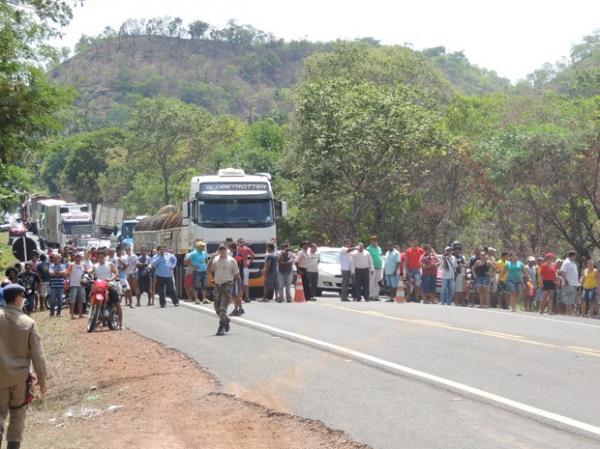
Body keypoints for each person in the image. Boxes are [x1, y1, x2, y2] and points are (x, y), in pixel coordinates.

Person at [0, 283, 47, 449]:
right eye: (23, 296)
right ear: (18, 298)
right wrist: (42, 380)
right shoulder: (28, 323)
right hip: (19, 380)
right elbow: (38, 356)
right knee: (18, 415)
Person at [209, 243, 242, 336]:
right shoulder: (215, 259)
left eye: (224, 249)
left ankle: (221, 327)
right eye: (220, 249)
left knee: (223, 308)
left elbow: (237, 276)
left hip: (227, 285)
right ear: (218, 250)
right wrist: (210, 261)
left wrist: (240, 291)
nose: (222, 251)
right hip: (217, 286)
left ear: (226, 250)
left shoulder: (231, 260)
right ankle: (226, 320)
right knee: (217, 308)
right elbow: (211, 271)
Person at [92, 251, 122, 329]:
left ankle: (121, 324)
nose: (100, 258)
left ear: (104, 257)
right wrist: (85, 273)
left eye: (102, 257)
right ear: (97, 258)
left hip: (109, 285)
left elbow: (116, 273)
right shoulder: (95, 266)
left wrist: (110, 279)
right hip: (98, 286)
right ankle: (96, 317)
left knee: (117, 304)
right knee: (91, 297)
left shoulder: (109, 264)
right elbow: (89, 271)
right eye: (99, 257)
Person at [65, 253, 88, 319]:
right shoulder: (71, 265)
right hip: (73, 285)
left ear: (81, 258)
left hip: (81, 285)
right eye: (77, 257)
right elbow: (67, 274)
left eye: (79, 257)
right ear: (75, 258)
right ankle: (72, 315)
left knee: (81, 300)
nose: (78, 258)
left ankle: (80, 314)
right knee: (72, 300)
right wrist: (67, 283)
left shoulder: (83, 265)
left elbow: (86, 274)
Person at [559, 251, 580, 316]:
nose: (576, 257)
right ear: (572, 256)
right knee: (569, 298)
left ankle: (570, 313)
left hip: (574, 283)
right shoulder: (566, 262)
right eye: (575, 256)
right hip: (569, 283)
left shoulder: (573, 262)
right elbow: (562, 271)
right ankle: (569, 313)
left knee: (572, 299)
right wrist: (565, 280)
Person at [366, 236, 383, 300]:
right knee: (371, 282)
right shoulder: (368, 248)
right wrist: (370, 267)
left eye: (376, 240)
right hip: (372, 268)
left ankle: (376, 296)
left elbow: (380, 257)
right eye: (373, 240)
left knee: (378, 282)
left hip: (379, 267)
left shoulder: (379, 248)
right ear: (371, 241)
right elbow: (367, 259)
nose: (375, 241)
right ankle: (370, 295)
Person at [452, 242, 467, 306]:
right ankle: (450, 301)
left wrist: (462, 265)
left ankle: (456, 302)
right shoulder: (451, 256)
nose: (457, 250)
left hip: (459, 274)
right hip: (452, 274)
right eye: (456, 248)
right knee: (452, 289)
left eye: (458, 248)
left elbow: (465, 264)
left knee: (459, 289)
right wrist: (460, 265)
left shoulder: (461, 257)